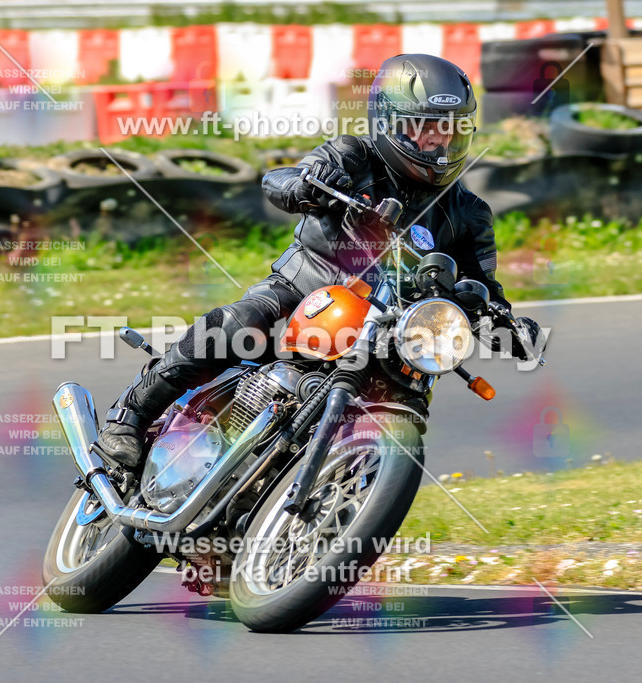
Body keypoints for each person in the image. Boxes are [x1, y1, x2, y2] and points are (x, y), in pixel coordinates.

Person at [94, 53, 545, 469]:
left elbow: (482, 290)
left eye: (447, 128)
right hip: (305, 291)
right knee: (238, 324)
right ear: (389, 122)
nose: (436, 140)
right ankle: (129, 417)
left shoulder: (469, 212)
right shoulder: (352, 155)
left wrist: (506, 325)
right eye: (423, 126)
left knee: (411, 394)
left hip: (391, 332)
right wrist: (305, 186)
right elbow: (282, 178)